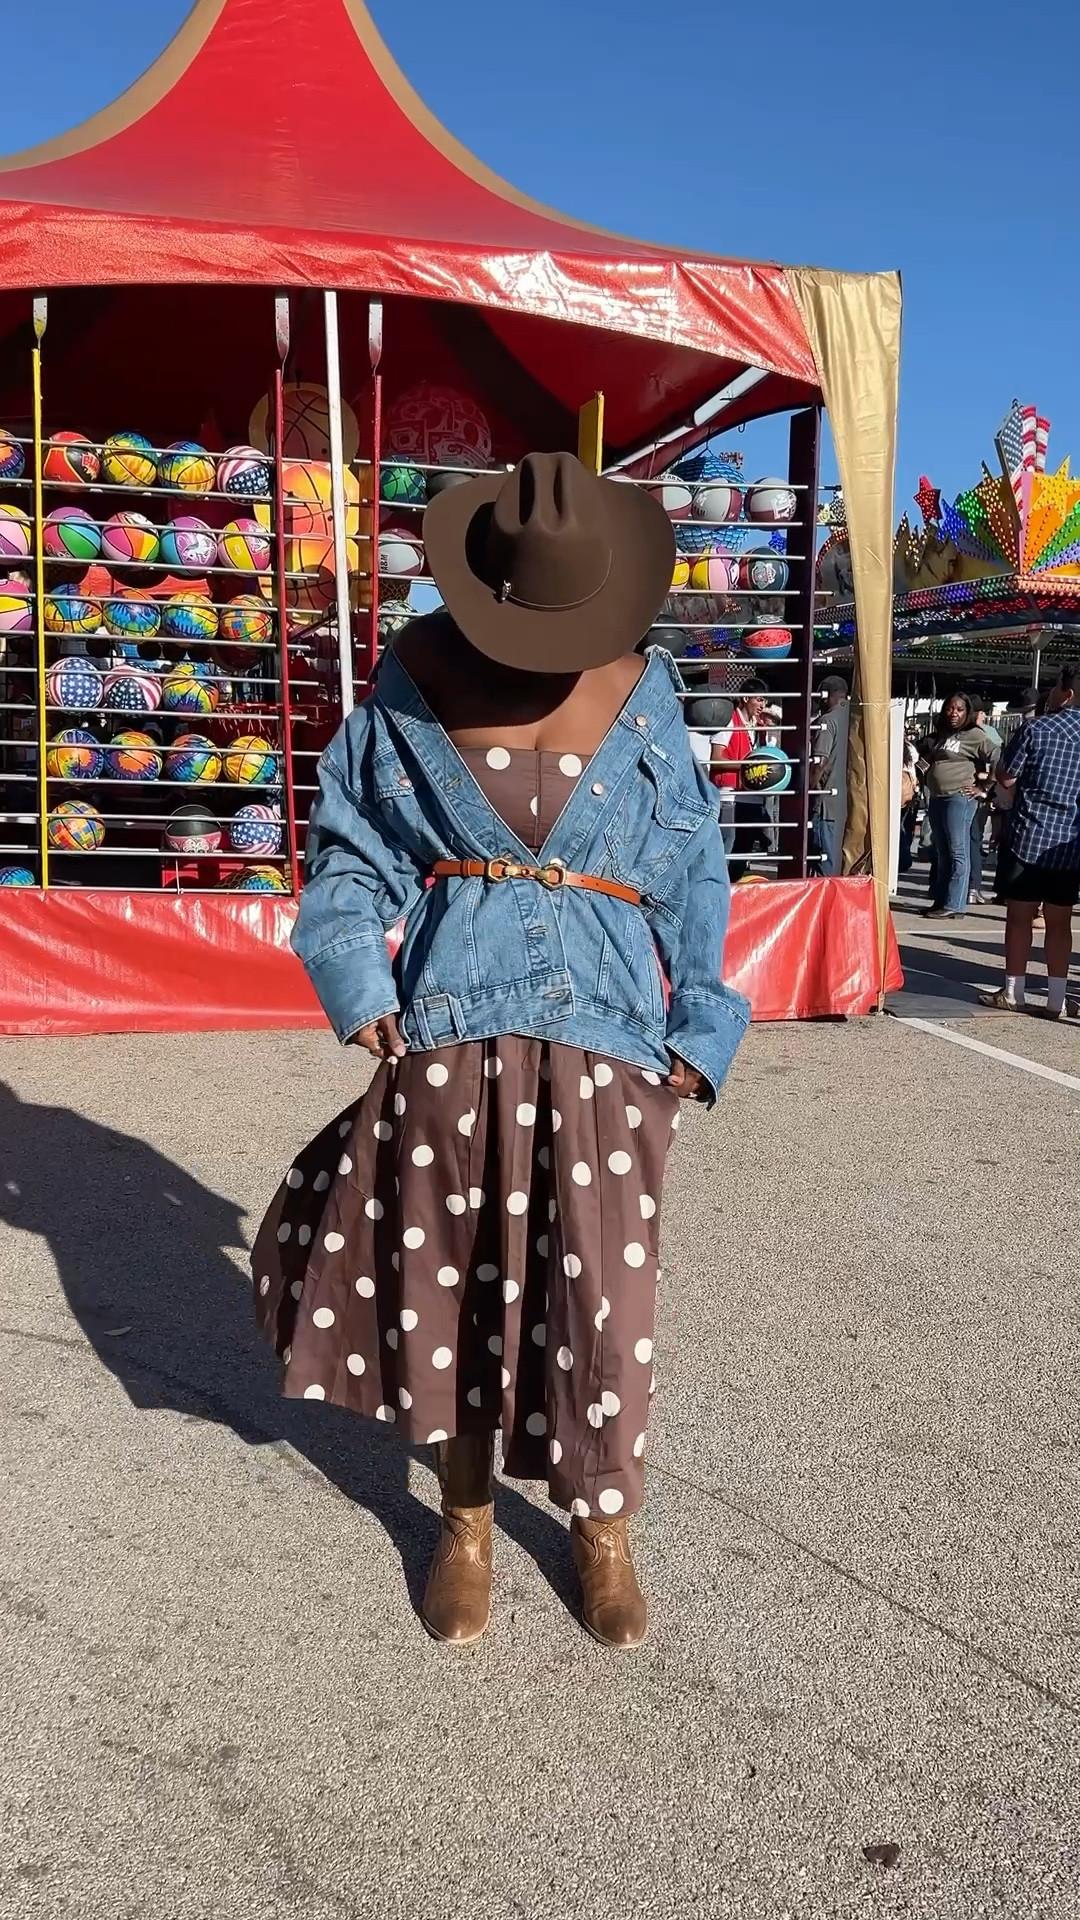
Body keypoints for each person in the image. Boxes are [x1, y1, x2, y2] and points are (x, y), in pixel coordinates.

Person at [250, 452, 750, 1649]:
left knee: (603, 1292)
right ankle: (464, 1522)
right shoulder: (412, 686)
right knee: (453, 1284)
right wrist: (357, 973)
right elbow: (351, 849)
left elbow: (693, 870)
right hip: (453, 1030)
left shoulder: (646, 694)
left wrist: (702, 1026)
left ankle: (603, 1527)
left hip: (608, 1037)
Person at [979, 666, 1080, 1016]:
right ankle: (1056, 998)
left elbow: (1005, 773)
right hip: (1071, 840)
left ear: (1066, 693)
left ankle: (1013, 991)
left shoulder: (1036, 728)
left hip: (1030, 832)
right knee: (1060, 920)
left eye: (1054, 686)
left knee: (1019, 917)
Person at [916, 693, 995, 918]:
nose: (954, 713)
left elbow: (998, 757)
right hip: (938, 796)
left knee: (957, 851)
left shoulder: (975, 736)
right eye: (950, 708)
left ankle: (955, 905)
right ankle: (941, 900)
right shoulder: (943, 735)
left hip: (959, 798)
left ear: (967, 712)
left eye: (959, 709)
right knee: (942, 852)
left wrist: (984, 788)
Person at [811, 674, 849, 876]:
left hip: (826, 804)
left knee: (824, 861)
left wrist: (807, 792)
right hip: (850, 804)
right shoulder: (857, 718)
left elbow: (819, 763)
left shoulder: (826, 722)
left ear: (825, 696)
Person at [968, 695, 1003, 903]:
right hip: (976, 792)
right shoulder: (985, 734)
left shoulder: (956, 734)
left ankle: (954, 887)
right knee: (974, 839)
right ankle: (973, 887)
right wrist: (987, 786)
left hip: (961, 791)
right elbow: (998, 757)